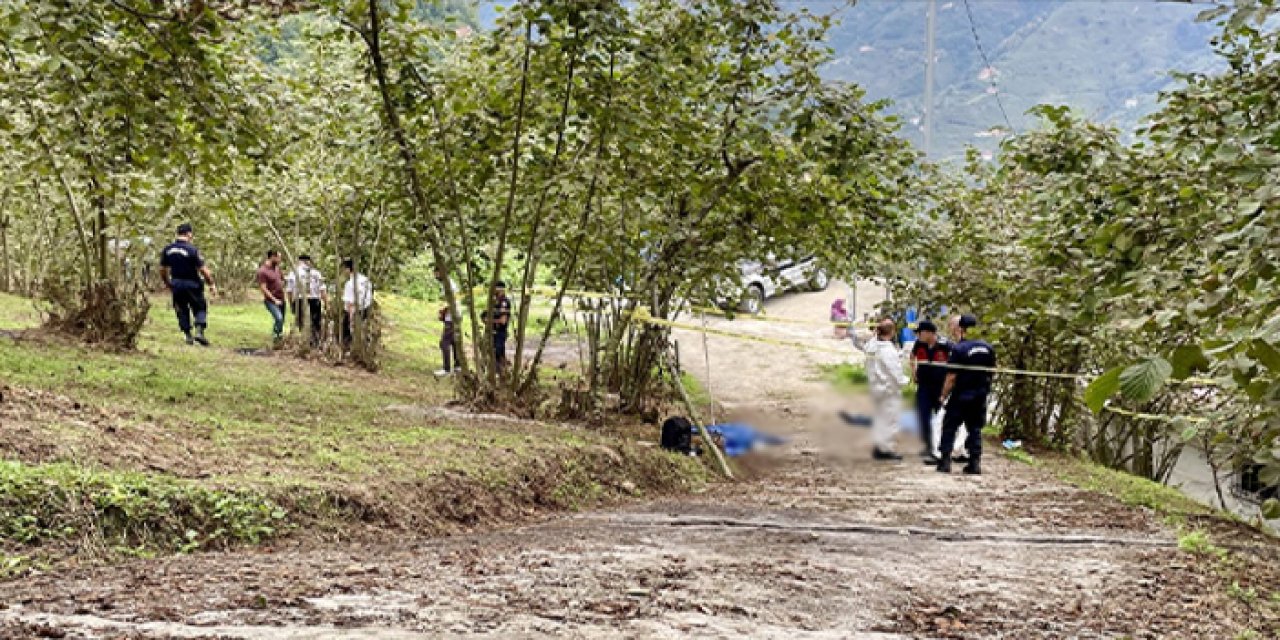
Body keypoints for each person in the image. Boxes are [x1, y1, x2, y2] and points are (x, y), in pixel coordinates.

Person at [937, 314, 997, 475]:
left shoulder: (959, 348)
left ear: (961, 329)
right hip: (979, 395)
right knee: (975, 429)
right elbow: (991, 372)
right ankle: (974, 462)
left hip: (961, 395)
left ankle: (944, 461)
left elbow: (951, 376)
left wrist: (943, 395)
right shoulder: (988, 348)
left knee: (949, 427)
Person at [852, 318, 909, 461]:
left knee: (879, 418)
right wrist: (904, 381)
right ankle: (887, 448)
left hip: (875, 387)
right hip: (888, 389)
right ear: (892, 331)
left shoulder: (872, 346)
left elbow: (865, 346)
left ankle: (879, 446)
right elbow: (894, 371)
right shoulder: (888, 350)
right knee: (890, 419)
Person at [159, 223, 217, 346]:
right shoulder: (192, 250)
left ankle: (188, 335)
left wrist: (168, 283)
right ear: (188, 234)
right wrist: (211, 283)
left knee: (181, 309)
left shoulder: (168, 249)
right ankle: (199, 332)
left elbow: (163, 269)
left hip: (177, 283)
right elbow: (203, 270)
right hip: (192, 283)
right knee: (200, 307)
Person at [910, 319, 952, 465]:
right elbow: (912, 356)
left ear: (928, 333)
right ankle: (928, 446)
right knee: (923, 416)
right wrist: (913, 372)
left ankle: (942, 448)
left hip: (940, 387)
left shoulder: (945, 345)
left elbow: (954, 365)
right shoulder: (919, 344)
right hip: (924, 386)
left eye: (919, 333)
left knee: (941, 419)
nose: (917, 336)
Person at [287, 254, 328, 344]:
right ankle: (315, 342)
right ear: (309, 262)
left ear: (299, 261)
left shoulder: (293, 273)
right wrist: (326, 304)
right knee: (315, 322)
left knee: (302, 321)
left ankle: (305, 340)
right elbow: (323, 290)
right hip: (314, 300)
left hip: (299, 300)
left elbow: (289, 291)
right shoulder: (316, 273)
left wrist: (291, 303)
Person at [434, 269, 461, 376]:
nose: (435, 276)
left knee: (444, 342)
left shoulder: (450, 285)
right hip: (453, 316)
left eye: (436, 273)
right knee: (454, 341)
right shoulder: (447, 284)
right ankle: (458, 365)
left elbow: (452, 301)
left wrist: (444, 311)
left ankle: (446, 368)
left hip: (452, 317)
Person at [341, 258, 373, 348]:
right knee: (361, 330)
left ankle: (349, 348)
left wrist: (350, 318)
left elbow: (350, 303)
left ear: (347, 269)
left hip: (355, 311)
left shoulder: (350, 283)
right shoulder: (365, 279)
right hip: (366, 308)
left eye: (344, 269)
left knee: (349, 331)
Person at [257, 251, 286, 344]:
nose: (280, 260)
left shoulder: (277, 269)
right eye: (279, 258)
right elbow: (263, 288)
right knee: (279, 318)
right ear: (272, 257)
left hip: (281, 299)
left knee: (281, 321)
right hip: (271, 301)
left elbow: (282, 279)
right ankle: (275, 339)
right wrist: (274, 300)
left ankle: (279, 339)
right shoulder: (262, 271)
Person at [489, 281, 512, 370]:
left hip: (500, 332)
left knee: (498, 353)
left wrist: (489, 321)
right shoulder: (494, 301)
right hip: (493, 331)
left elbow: (503, 321)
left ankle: (500, 372)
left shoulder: (504, 302)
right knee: (495, 354)